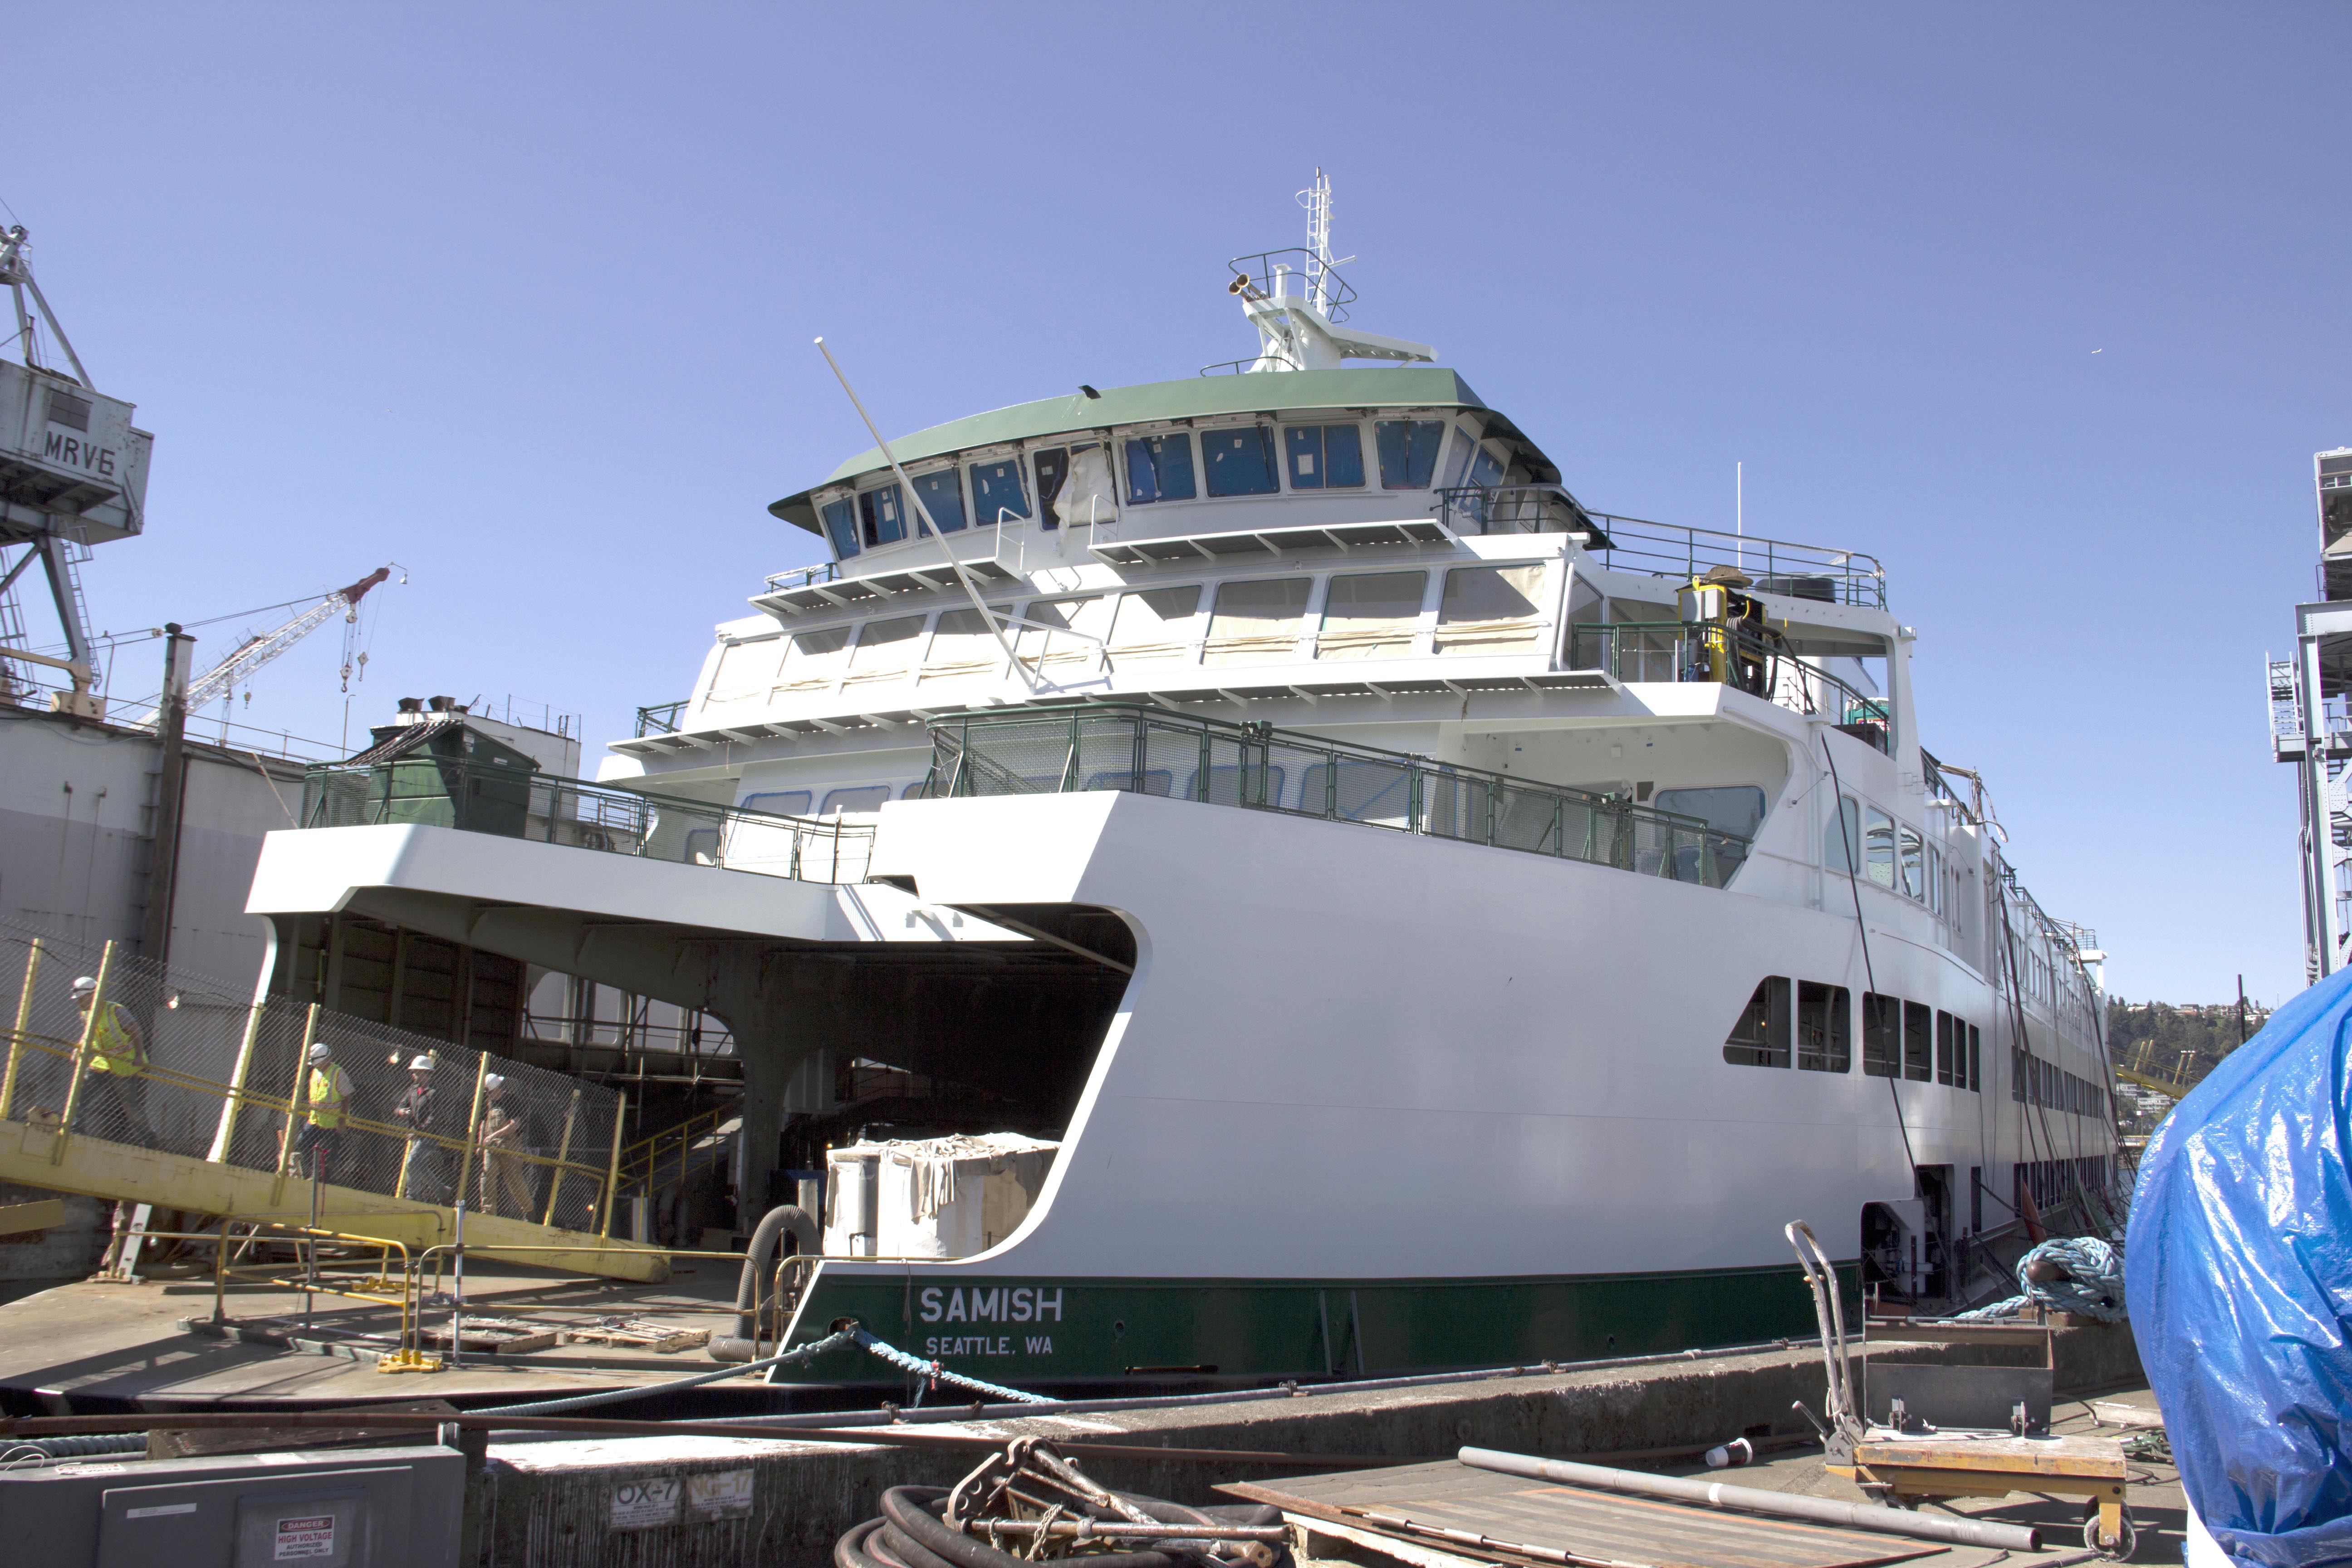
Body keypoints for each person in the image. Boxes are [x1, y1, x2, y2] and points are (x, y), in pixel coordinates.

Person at [70, 975, 152, 1147]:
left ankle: (149, 1138)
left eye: (81, 999)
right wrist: (78, 1049)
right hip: (102, 1062)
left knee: (130, 1104)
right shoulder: (85, 1014)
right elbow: (89, 1034)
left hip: (124, 1063)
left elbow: (135, 1030)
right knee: (82, 1093)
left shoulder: (115, 1011)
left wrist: (138, 1056)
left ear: (94, 995)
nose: (78, 1003)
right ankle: (76, 1127)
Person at [477, 1073, 535, 1219]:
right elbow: (483, 1123)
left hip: (509, 1146)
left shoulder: (511, 1100)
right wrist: (481, 1143)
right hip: (492, 1147)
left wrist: (494, 1136)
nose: (489, 1095)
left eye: (490, 1092)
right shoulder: (489, 1103)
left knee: (513, 1180)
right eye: (487, 1093)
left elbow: (515, 1125)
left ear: (497, 1089)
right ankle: (488, 1211)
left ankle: (529, 1209)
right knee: (488, 1174)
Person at [295, 1041, 353, 1184]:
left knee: (329, 1154)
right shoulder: (316, 1072)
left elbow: (347, 1097)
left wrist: (342, 1121)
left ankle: (324, 1179)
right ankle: (312, 1173)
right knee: (303, 1143)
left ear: (324, 1059)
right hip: (315, 1120)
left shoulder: (338, 1073)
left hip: (333, 1123)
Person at [391, 1054, 446, 1202]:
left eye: (417, 1071)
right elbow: (399, 1108)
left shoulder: (434, 1093)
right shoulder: (413, 1090)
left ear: (426, 1073)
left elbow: (434, 1118)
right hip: (418, 1136)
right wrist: (402, 1112)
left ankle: (413, 1196)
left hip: (429, 1137)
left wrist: (419, 1132)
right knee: (419, 1166)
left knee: (412, 1161)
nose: (413, 1075)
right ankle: (441, 1190)